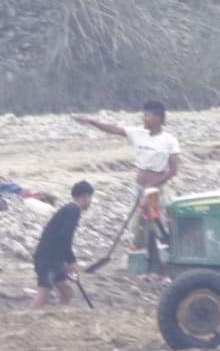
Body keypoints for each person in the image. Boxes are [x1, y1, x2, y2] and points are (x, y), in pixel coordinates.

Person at [72, 101, 180, 256]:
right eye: (144, 115)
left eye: (148, 116)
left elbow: (173, 170)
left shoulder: (169, 141)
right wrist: (92, 121)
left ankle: (165, 253)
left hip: (155, 190)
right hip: (139, 188)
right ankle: (139, 254)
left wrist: (152, 185)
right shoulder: (137, 133)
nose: (144, 119)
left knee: (157, 222)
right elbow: (114, 129)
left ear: (158, 118)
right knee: (137, 224)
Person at [30, 181, 94, 308]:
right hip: (47, 259)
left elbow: (62, 238)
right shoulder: (73, 210)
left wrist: (64, 261)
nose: (90, 202)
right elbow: (65, 238)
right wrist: (71, 261)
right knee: (44, 293)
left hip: (55, 258)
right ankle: (27, 321)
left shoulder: (70, 209)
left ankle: (60, 319)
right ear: (85, 196)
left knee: (67, 293)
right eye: (91, 198)